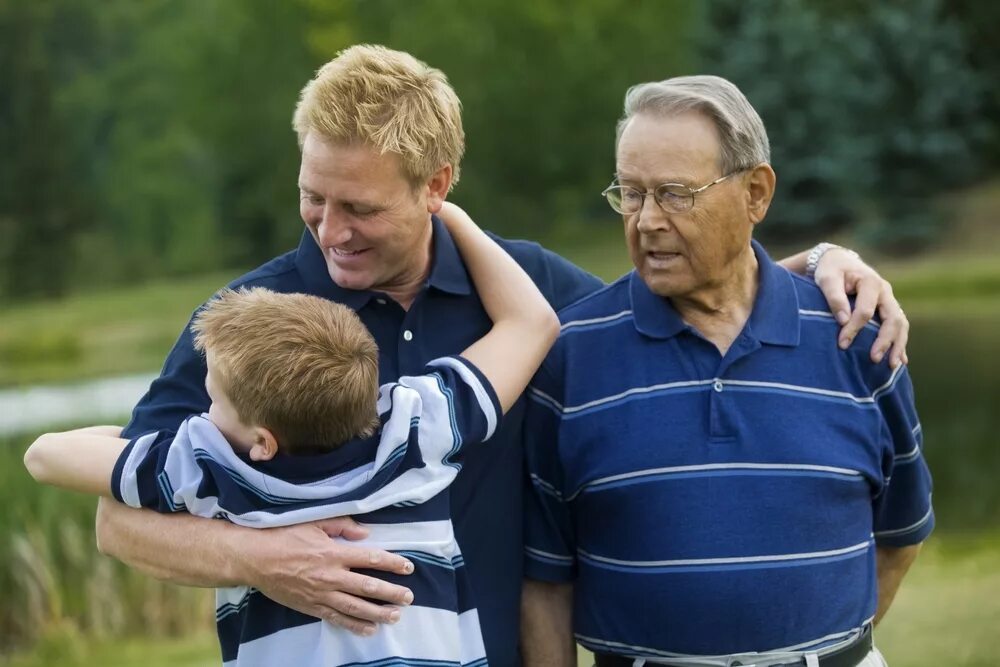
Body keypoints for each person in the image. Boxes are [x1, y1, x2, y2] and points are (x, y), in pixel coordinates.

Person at [92, 45, 911, 665]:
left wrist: (818, 264)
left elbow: (676, 296)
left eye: (361, 208)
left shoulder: (530, 290)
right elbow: (120, 518)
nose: (330, 230)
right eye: (313, 197)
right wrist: (265, 559)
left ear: (436, 184)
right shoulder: (249, 324)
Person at [25, 206, 560, 665]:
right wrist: (448, 215)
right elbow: (530, 322)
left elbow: (44, 456)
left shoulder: (220, 471)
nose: (205, 413)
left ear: (263, 441)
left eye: (212, 399)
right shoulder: (415, 430)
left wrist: (148, 441)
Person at [520, 76, 932, 667]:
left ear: (756, 194)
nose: (647, 220)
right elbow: (545, 580)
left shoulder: (858, 340)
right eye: (631, 194)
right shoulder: (568, 355)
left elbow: (902, 533)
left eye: (675, 193)